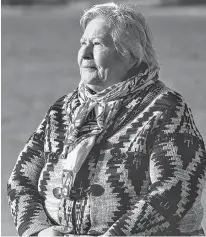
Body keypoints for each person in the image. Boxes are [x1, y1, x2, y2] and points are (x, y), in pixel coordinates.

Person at [7, 2, 206, 236]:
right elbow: (20, 180)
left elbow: (174, 191)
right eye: (83, 43)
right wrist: (39, 231)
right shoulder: (62, 110)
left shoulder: (166, 108)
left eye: (97, 44)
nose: (84, 54)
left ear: (130, 55)